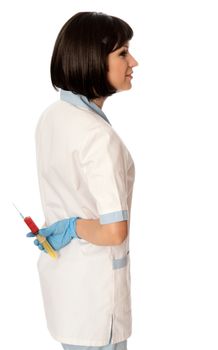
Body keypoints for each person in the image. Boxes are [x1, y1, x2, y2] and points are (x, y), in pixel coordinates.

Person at [28, 11, 138, 350]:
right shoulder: (96, 136)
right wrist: (73, 226)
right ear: (93, 60)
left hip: (65, 291)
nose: (133, 61)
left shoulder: (52, 117)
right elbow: (114, 230)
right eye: (122, 53)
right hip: (96, 302)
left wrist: (64, 227)